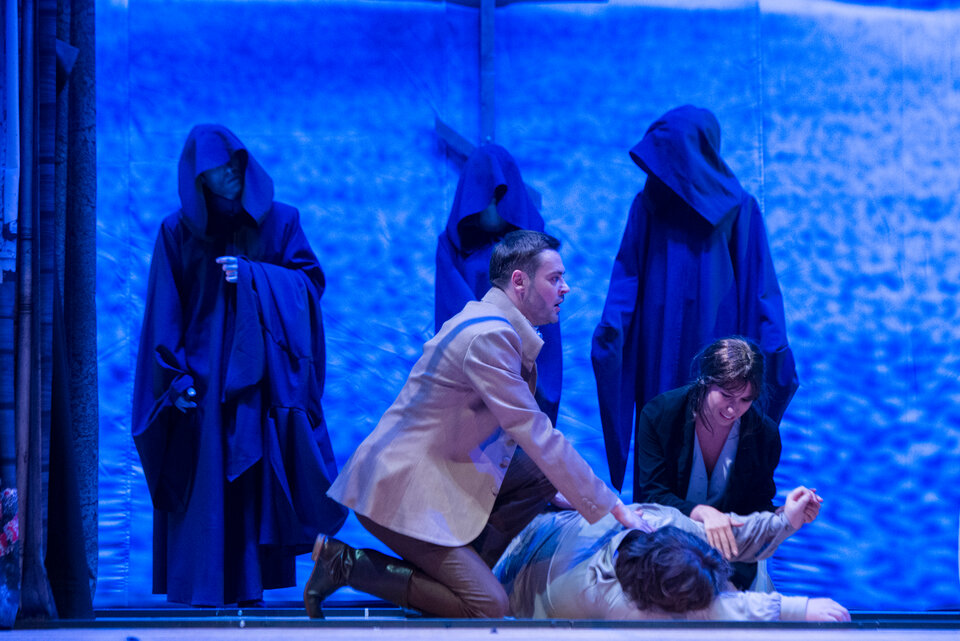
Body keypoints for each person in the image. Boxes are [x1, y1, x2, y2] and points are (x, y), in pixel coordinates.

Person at [308, 230, 646, 619]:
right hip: (398, 488)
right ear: (519, 282)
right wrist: (612, 507)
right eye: (555, 278)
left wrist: (560, 489)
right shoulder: (489, 336)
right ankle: (345, 564)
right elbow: (534, 431)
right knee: (488, 606)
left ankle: (459, 578)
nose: (565, 288)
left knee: (541, 474)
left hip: (431, 472)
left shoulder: (487, 321)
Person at [132, 124, 347, 606]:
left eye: (234, 164)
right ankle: (208, 609)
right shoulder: (176, 232)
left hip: (260, 385)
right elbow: (165, 311)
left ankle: (251, 604)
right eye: (216, 169)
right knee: (206, 494)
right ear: (199, 179)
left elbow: (310, 286)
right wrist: (175, 380)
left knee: (254, 490)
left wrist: (254, 277)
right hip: (203, 390)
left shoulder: (281, 221)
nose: (229, 174)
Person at [591, 104, 798, 499]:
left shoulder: (709, 207)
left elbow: (624, 286)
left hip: (673, 351)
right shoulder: (718, 205)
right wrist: (774, 354)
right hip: (703, 345)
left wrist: (611, 337)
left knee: (685, 443)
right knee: (697, 442)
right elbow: (761, 293)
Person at [494, 486, 849, 622]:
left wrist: (785, 520)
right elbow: (721, 611)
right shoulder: (611, 600)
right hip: (514, 577)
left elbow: (727, 535)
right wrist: (796, 608)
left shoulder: (661, 523)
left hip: (546, 526)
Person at [633, 336, 791, 590]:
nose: (733, 409)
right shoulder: (659, 415)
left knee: (736, 599)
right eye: (726, 395)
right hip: (666, 541)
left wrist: (786, 515)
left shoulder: (765, 434)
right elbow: (654, 494)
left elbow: (756, 505)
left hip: (731, 551)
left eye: (745, 400)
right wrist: (704, 513)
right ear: (705, 381)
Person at [436, 144, 563, 425]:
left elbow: (546, 321)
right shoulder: (452, 246)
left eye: (499, 197)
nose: (492, 205)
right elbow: (454, 309)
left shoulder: (535, 247)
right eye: (484, 196)